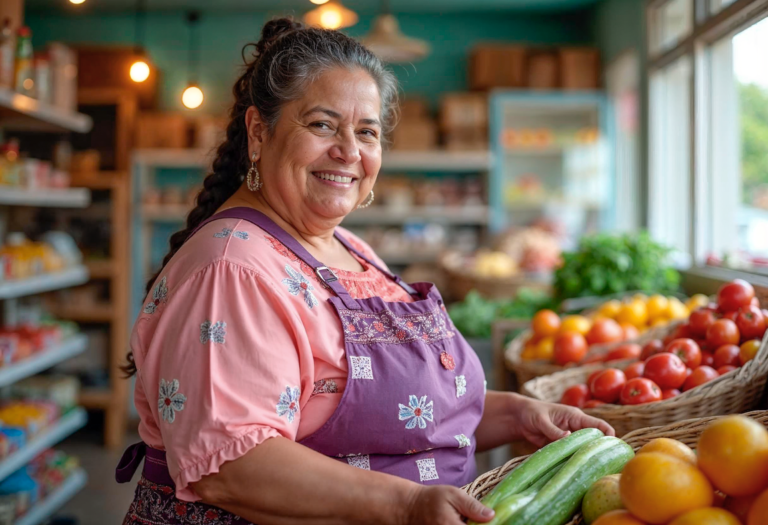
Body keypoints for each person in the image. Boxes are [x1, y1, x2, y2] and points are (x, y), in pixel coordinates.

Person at [116, 18, 614, 525]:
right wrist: (408, 503)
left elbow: (406, 410)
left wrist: (518, 415)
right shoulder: (233, 268)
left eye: (367, 132)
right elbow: (229, 465)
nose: (349, 151)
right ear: (259, 132)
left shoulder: (349, 247)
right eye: (322, 124)